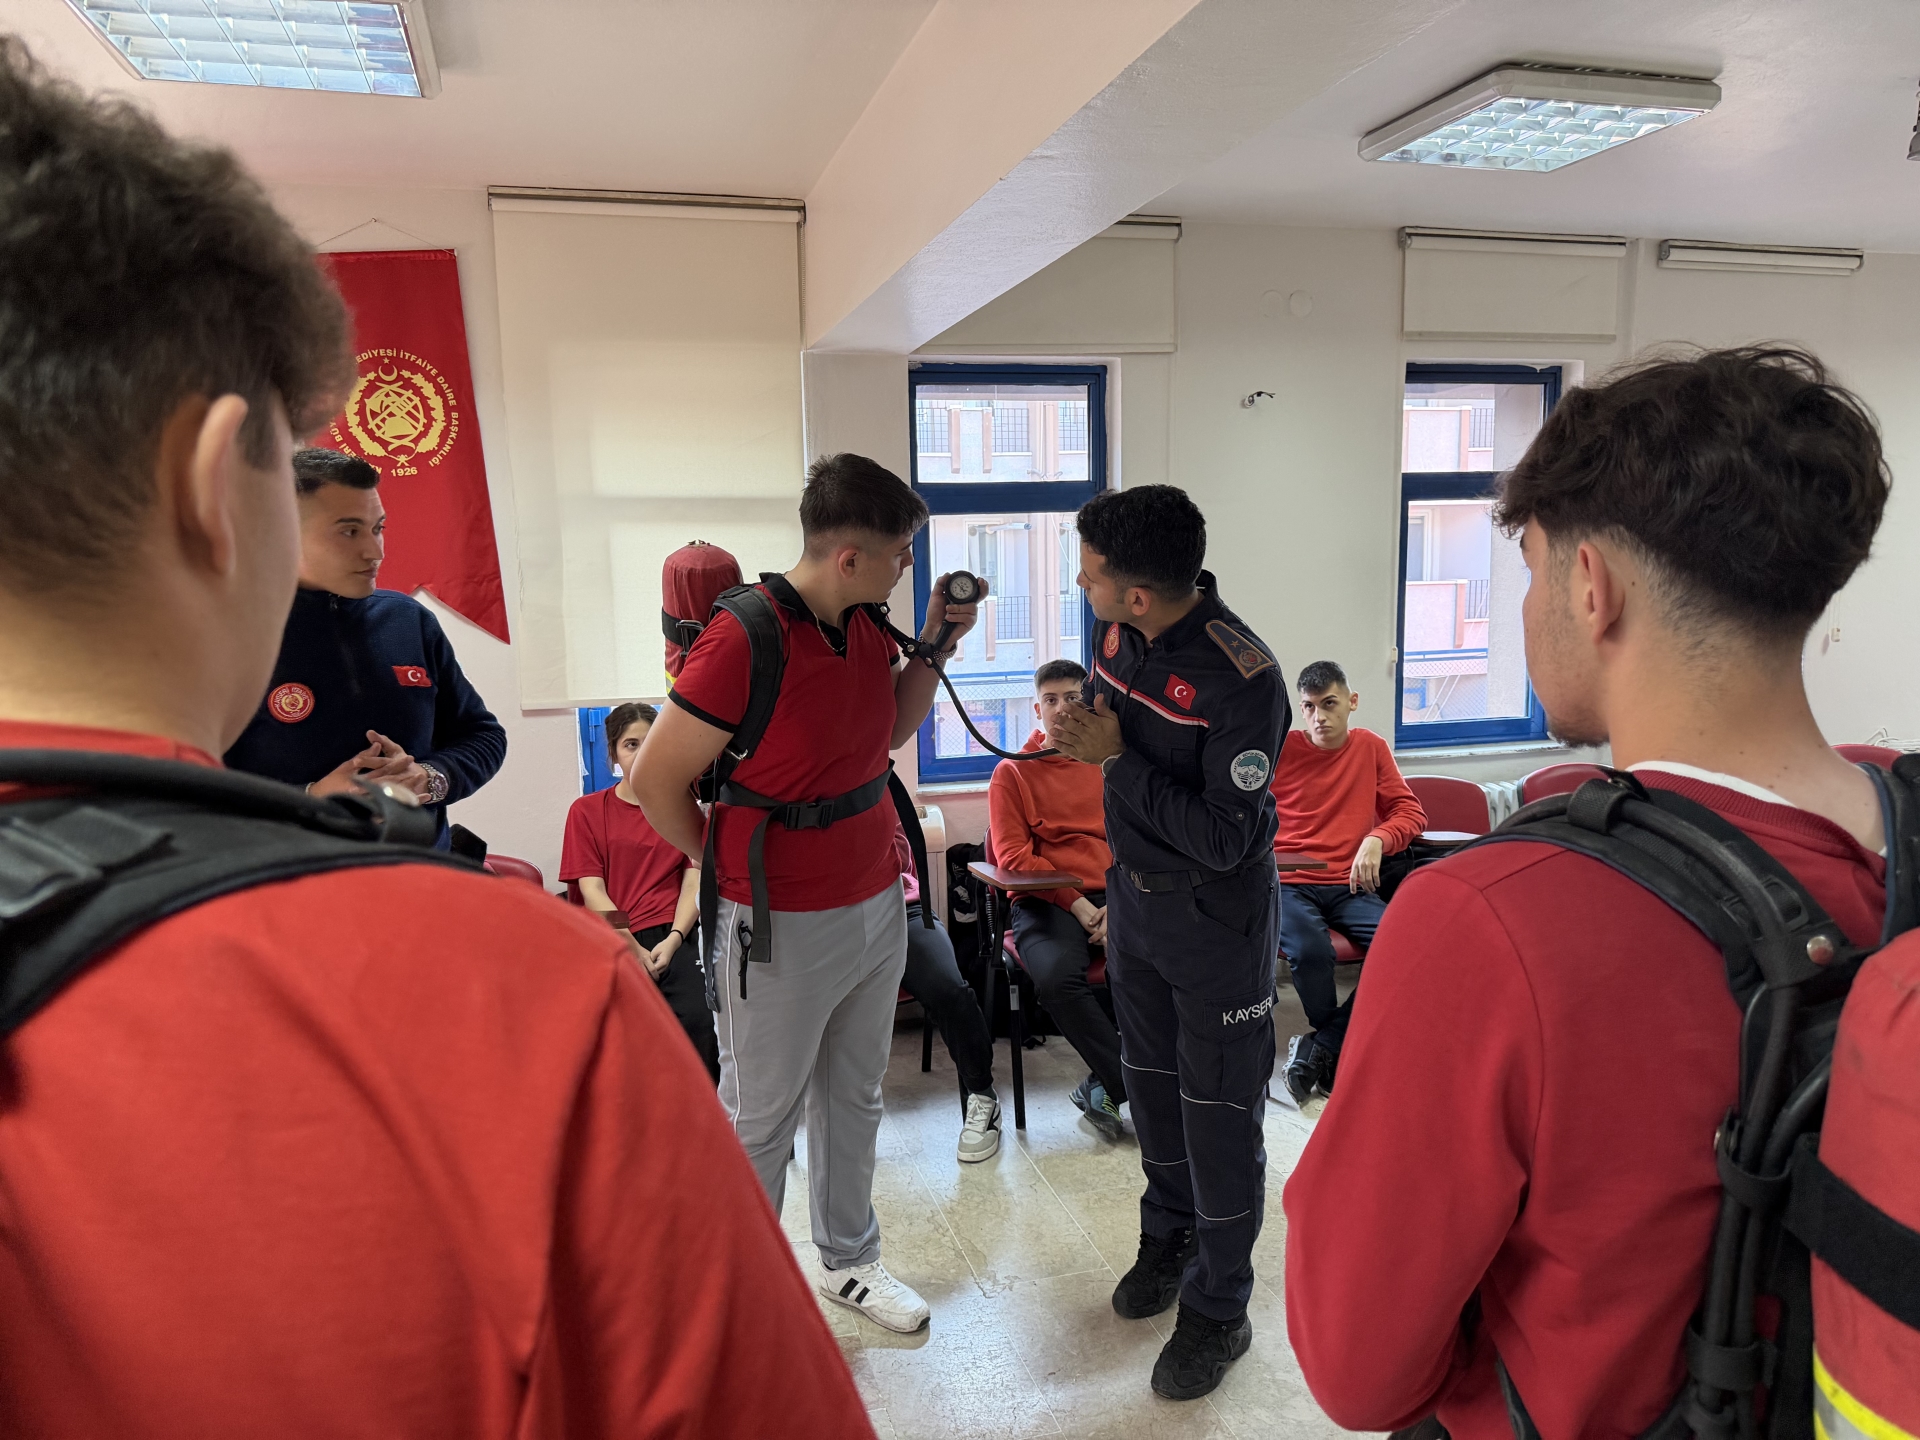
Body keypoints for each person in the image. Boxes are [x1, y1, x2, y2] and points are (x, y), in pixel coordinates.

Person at [0, 38, 875, 1438]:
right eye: (324, 510)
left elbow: (473, 740)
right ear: (213, 489)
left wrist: (430, 775)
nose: (365, 547)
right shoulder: (521, 1006)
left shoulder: (411, 626)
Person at [1283, 347, 1893, 1438]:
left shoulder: (1491, 918)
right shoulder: (1898, 833)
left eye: (1528, 570)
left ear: (1590, 585)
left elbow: (1357, 1370)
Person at [631, 452, 980, 1335]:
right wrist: (726, 867)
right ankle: (738, 1295)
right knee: (760, 1115)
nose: (909, 565)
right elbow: (655, 781)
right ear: (850, 557)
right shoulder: (744, 637)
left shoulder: (862, 623)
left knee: (855, 1095)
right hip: (775, 920)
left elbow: (890, 729)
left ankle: (849, 1261)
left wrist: (935, 644)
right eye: (900, 552)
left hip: (874, 898)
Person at [1050, 485, 1289, 1401]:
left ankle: (1220, 1307)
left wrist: (1116, 759)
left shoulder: (1244, 678)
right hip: (1135, 905)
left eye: (1090, 574)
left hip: (1216, 920)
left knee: (1218, 1116)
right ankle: (1171, 1235)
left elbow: (1228, 837)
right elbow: (1107, 726)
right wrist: (1080, 733)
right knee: (1150, 1093)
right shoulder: (1115, 637)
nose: (1081, 584)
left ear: (1138, 593)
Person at [224, 447, 506, 846]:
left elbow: (482, 736)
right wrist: (308, 800)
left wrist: (430, 778)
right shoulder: (224, 633)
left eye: (378, 528)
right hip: (288, 874)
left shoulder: (408, 621)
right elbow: (184, 786)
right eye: (349, 531)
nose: (376, 551)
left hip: (417, 872)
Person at [1271, 659, 1425, 1104]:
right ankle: (1334, 1048)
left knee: (1405, 947)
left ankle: (1320, 1046)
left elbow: (1410, 812)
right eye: (1309, 706)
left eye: (1329, 704)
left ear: (1352, 702)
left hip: (1349, 884)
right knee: (1311, 952)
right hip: (1290, 882)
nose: (1319, 716)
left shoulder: (1371, 747)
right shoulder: (1280, 748)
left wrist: (1377, 838)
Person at [987, 657, 1129, 1140]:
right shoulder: (1012, 772)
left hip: (1116, 892)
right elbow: (1012, 856)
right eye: (1051, 700)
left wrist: (1120, 903)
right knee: (1055, 979)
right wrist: (1076, 902)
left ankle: (1103, 1083)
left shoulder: (1111, 764)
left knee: (1165, 965)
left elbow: (1136, 840)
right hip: (1043, 899)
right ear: (1037, 709)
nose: (1062, 708)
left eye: (1072, 698)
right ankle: (1135, 1085)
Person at [561, 701, 717, 1082]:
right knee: (621, 1042)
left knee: (701, 1025)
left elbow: (693, 880)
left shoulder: (683, 809)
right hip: (615, 935)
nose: (642, 753)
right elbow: (592, 890)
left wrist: (675, 939)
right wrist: (629, 944)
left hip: (677, 935)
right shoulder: (586, 812)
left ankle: (701, 1116)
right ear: (613, 753)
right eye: (631, 745)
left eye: (650, 743)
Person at [891, 814, 1003, 1161]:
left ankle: (982, 1095)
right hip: (822, 921)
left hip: (901, 908)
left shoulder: (877, 789)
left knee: (951, 991)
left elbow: (900, 856)